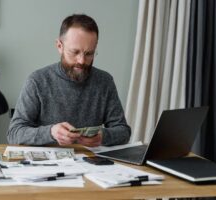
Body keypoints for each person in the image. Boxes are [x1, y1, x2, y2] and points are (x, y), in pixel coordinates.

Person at [7, 14, 131, 147]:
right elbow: (14, 133)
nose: (82, 61)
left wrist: (103, 137)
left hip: (91, 163)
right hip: (47, 163)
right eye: (75, 52)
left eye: (89, 53)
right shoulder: (37, 81)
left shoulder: (105, 82)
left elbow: (123, 131)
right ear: (59, 46)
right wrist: (51, 133)